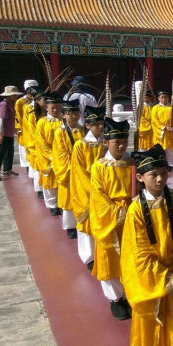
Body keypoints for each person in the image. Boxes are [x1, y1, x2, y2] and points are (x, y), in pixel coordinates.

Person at [122, 144, 173, 346]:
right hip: (153, 281)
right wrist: (166, 277)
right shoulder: (136, 209)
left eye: (163, 173)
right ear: (140, 177)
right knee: (152, 332)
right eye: (153, 174)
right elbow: (139, 254)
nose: (159, 179)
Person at [90, 117, 133, 320]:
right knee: (109, 257)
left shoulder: (133, 162)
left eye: (124, 141)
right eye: (117, 142)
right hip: (110, 220)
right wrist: (121, 213)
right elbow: (99, 199)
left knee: (132, 257)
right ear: (106, 142)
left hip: (133, 217)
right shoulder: (99, 167)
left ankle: (131, 294)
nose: (122, 145)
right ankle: (115, 298)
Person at [71, 106, 105, 270]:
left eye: (101, 123)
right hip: (87, 189)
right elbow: (79, 172)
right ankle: (89, 257)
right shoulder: (80, 145)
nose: (100, 126)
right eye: (95, 124)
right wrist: (92, 189)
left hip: (103, 189)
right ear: (87, 126)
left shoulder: (106, 143)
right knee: (86, 222)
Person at [52, 99, 83, 239]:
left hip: (83, 170)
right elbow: (61, 153)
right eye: (70, 113)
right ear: (63, 115)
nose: (74, 116)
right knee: (70, 199)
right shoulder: (60, 132)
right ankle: (70, 227)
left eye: (76, 113)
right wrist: (73, 168)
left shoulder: (83, 130)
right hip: (70, 170)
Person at [36, 92, 64, 216]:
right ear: (46, 107)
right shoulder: (42, 122)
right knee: (50, 182)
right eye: (52, 107)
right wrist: (51, 156)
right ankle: (52, 205)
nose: (55, 110)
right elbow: (41, 142)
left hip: (63, 157)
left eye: (57, 107)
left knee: (62, 181)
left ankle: (62, 203)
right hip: (48, 157)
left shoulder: (64, 121)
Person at [0, 86, 22, 180]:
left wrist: (14, 129)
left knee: (9, 151)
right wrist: (0, 133)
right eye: (14, 94)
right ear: (10, 95)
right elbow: (1, 119)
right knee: (1, 151)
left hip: (8, 132)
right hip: (4, 132)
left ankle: (7, 169)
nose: (16, 96)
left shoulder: (10, 103)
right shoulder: (4, 104)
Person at [151, 91, 173, 169]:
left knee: (171, 149)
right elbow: (154, 121)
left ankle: (171, 165)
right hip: (162, 133)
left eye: (165, 97)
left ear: (168, 98)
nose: (164, 99)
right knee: (161, 149)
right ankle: (161, 164)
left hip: (171, 132)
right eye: (162, 97)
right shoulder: (155, 108)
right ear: (158, 98)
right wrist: (164, 127)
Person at [15, 80, 37, 171]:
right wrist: (19, 128)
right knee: (26, 152)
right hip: (25, 130)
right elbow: (18, 116)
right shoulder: (20, 102)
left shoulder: (39, 100)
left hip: (35, 129)